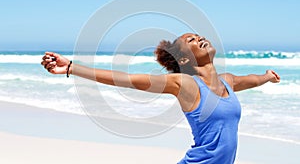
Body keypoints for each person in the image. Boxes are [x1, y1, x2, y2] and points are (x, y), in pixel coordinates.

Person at [41, 33, 280, 164]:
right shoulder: (185, 84)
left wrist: (267, 76)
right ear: (184, 60)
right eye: (191, 41)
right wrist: (72, 67)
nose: (199, 39)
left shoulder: (228, 81)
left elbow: (251, 79)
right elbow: (126, 79)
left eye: (197, 36)